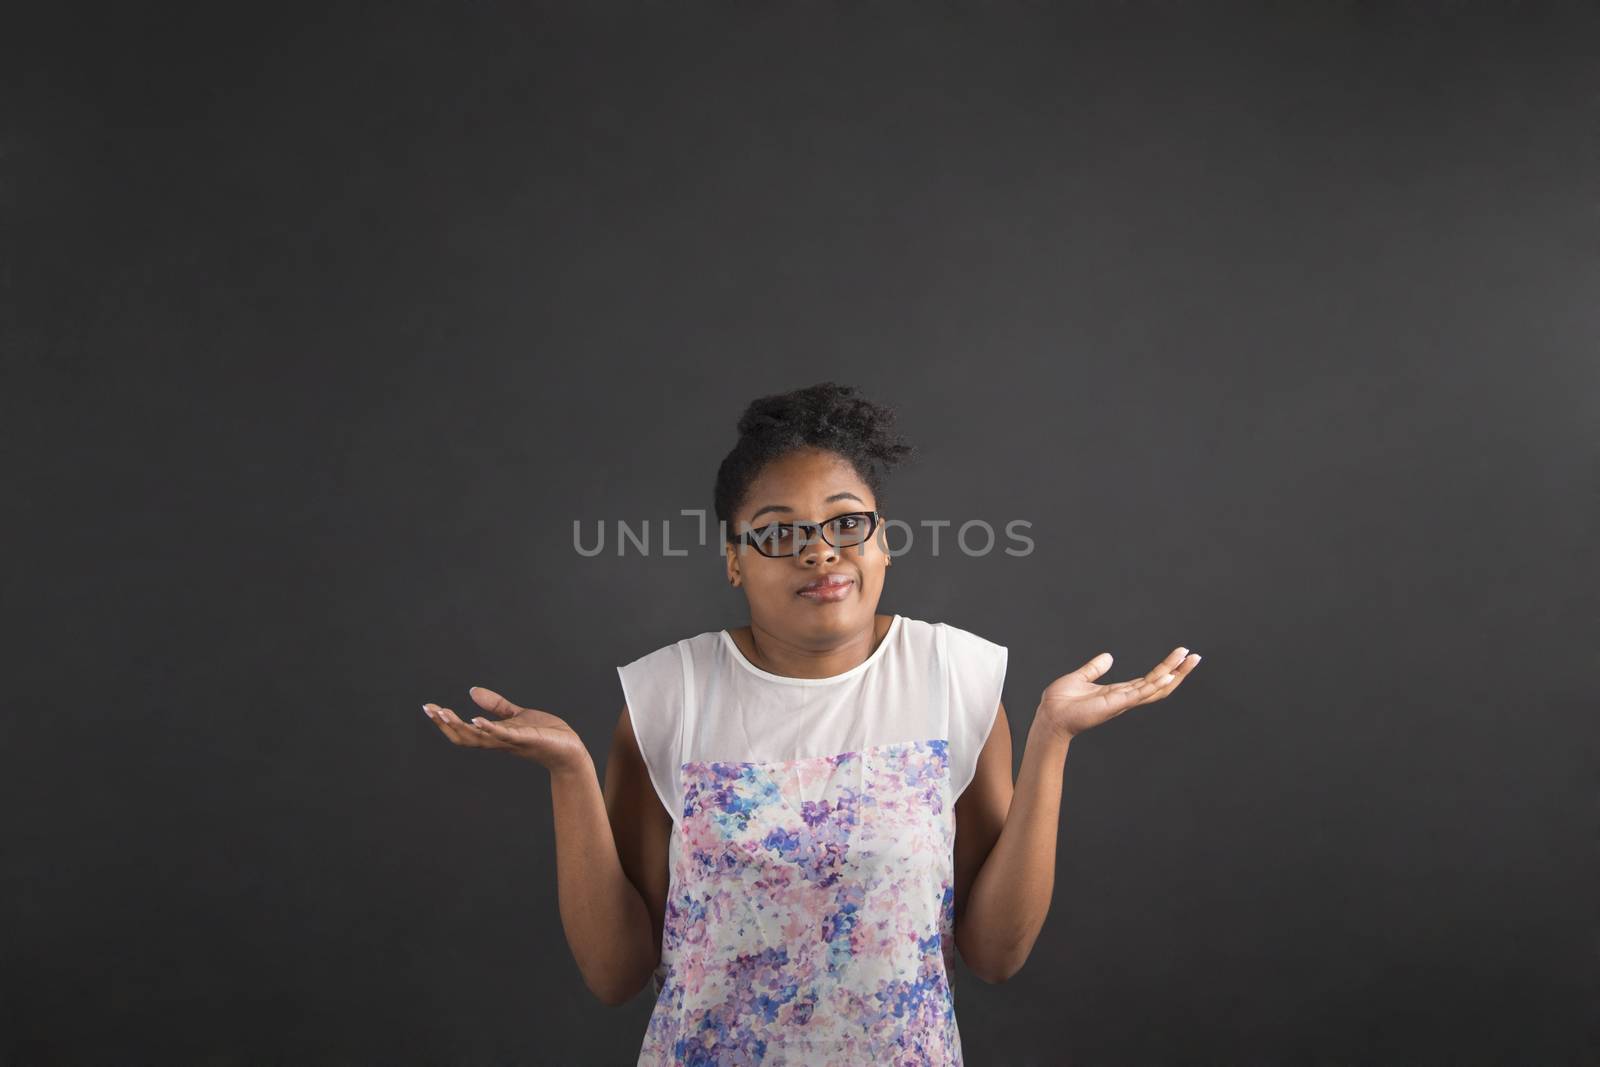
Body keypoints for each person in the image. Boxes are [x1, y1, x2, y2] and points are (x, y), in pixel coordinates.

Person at [421, 381, 1200, 1065]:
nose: (820, 551)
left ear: (884, 540)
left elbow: (994, 954)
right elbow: (616, 973)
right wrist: (570, 773)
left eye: (846, 522)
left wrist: (1051, 741)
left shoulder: (954, 676)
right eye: (779, 530)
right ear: (735, 559)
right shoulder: (671, 693)